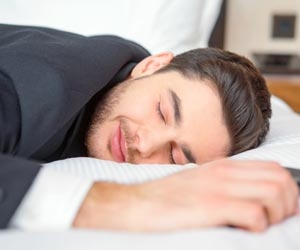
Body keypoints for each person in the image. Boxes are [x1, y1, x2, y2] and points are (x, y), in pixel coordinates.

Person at [0, 24, 298, 231]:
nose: (146, 144)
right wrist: (121, 204)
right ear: (151, 66)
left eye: (175, 157)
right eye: (162, 112)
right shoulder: (40, 86)